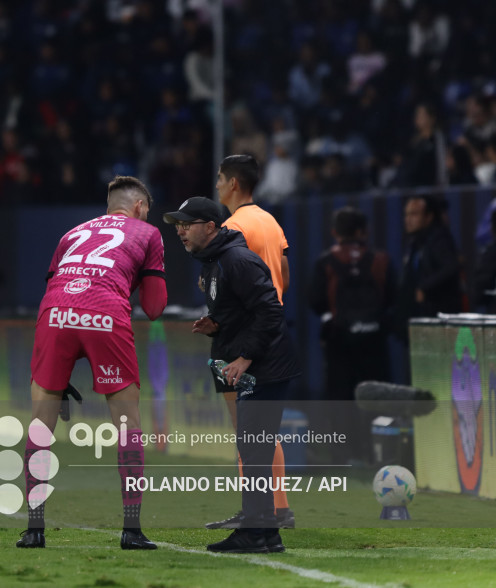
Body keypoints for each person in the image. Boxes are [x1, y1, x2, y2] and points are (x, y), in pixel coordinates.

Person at [17, 176, 167, 550]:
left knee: (40, 427)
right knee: (128, 427)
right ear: (138, 207)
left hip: (54, 314)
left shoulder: (72, 232)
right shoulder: (147, 233)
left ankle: (34, 529)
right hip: (105, 314)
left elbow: (52, 284)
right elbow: (154, 308)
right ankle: (131, 530)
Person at [164, 196, 299, 554]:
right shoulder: (213, 261)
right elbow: (246, 312)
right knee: (252, 448)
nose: (180, 230)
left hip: (266, 367)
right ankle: (266, 532)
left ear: (211, 227)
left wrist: (244, 358)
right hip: (260, 365)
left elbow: (271, 312)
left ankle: (256, 532)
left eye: (187, 223)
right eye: (178, 223)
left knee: (253, 449)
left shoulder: (235, 260)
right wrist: (217, 325)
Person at [206, 154, 294, 531]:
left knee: (247, 430)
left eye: (220, 179)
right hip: (270, 333)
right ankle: (277, 507)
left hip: (242, 337)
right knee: (262, 430)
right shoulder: (270, 221)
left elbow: (228, 280)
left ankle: (259, 513)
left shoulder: (233, 226)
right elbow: (284, 274)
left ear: (234, 184)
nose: (217, 185)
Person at [309, 207, 396, 464]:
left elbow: (315, 301)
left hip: (339, 342)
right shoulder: (381, 260)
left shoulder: (325, 262)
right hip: (375, 341)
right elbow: (392, 296)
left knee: (340, 399)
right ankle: (378, 452)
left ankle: (343, 454)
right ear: (363, 232)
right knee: (377, 397)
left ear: (335, 232)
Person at [394, 195, 462, 342]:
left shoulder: (439, 239)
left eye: (414, 214)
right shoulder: (416, 242)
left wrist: (424, 288)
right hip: (420, 319)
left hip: (440, 320)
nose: (408, 219)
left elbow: (451, 267)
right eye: (406, 214)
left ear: (429, 217)